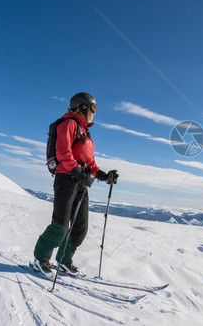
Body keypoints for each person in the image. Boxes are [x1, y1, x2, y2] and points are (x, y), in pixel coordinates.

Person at [32, 92, 118, 276]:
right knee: (60, 227)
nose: (95, 112)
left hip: (81, 183)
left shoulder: (85, 131)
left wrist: (105, 176)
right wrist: (80, 174)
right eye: (93, 108)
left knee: (80, 228)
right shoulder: (68, 124)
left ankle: (63, 260)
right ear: (83, 107)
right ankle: (40, 259)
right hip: (66, 180)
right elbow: (63, 154)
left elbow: (90, 163)